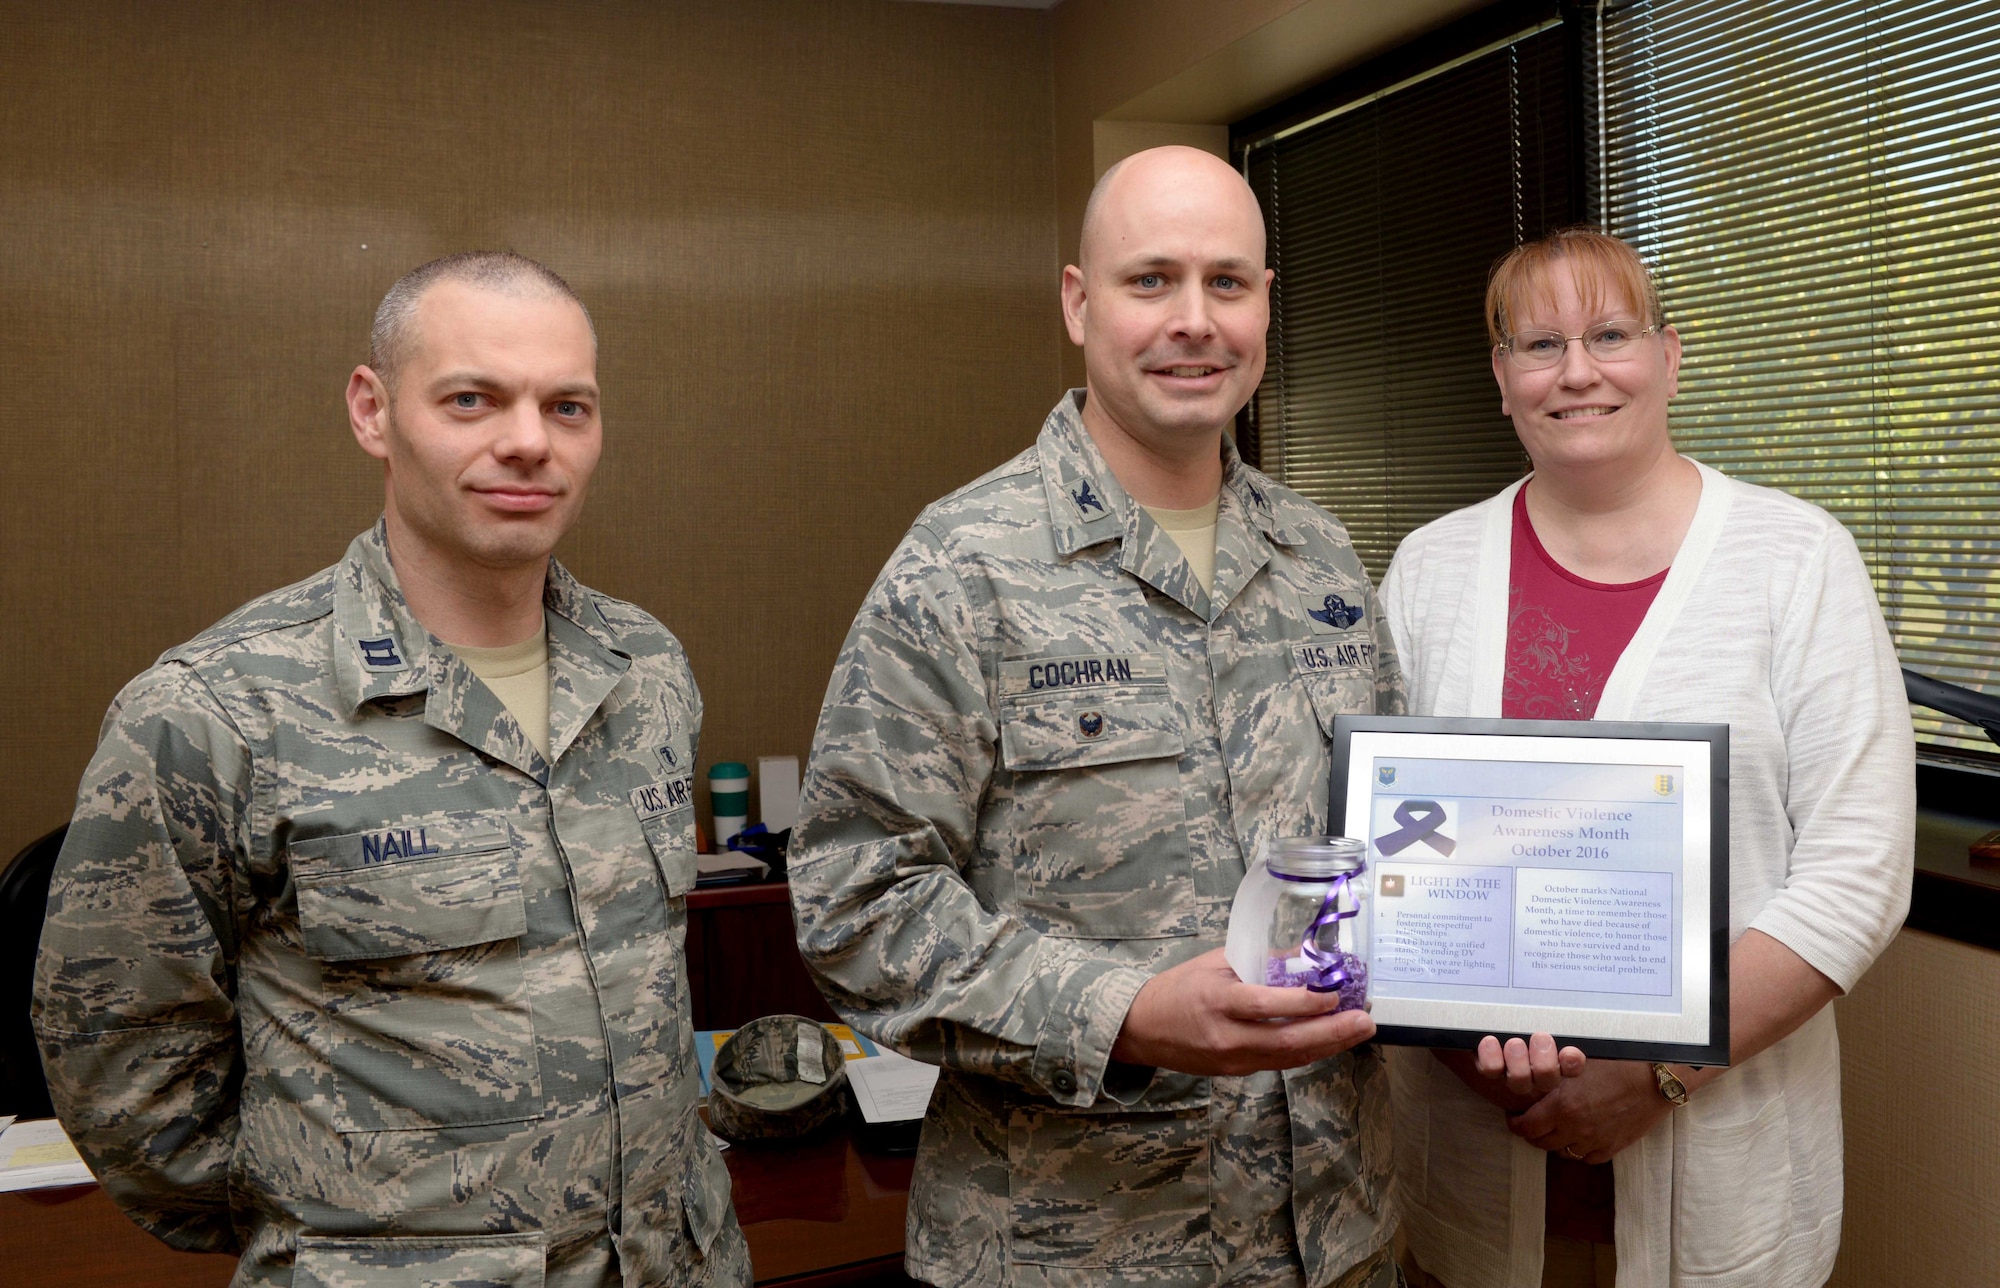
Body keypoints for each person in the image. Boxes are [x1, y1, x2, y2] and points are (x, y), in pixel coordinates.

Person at [33, 252, 750, 1287]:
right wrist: (334, 1223)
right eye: (471, 399)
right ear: (372, 412)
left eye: (568, 406)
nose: (526, 442)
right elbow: (118, 1064)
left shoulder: (645, 672)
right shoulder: (216, 710)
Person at [787, 143, 1403, 1288]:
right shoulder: (961, 566)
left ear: (1266, 305)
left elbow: (1397, 837)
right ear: (1078, 302)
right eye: (1149, 280)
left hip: (1335, 1237)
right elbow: (852, 901)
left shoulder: (1322, 557)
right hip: (1074, 1250)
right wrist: (1119, 1012)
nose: (1193, 320)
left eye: (1226, 282)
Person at [1381, 228, 1915, 1288]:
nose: (1575, 371)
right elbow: (1385, 851)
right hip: (1474, 1150)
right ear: (1500, 380)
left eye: (1608, 334)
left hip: (1719, 1164)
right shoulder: (1428, 567)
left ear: (1668, 357)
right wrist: (1479, 1060)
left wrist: (1656, 1070)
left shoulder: (1794, 559)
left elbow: (1856, 867)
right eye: (1537, 344)